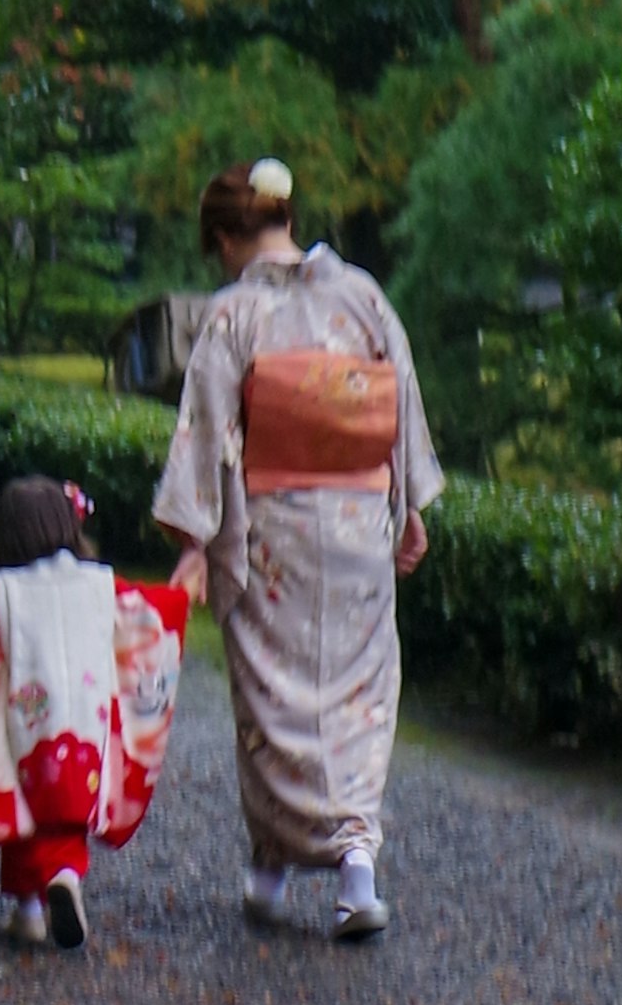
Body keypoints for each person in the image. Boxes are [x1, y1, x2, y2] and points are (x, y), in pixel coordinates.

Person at [151, 153, 442, 940]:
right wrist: (410, 505)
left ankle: (273, 863)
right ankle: (352, 868)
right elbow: (403, 399)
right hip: (354, 531)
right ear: (287, 218)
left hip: (272, 533)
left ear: (224, 238)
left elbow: (208, 431)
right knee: (357, 691)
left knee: (272, 695)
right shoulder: (364, 296)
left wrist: (193, 539)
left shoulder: (232, 314)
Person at [0, 472, 115, 956]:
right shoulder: (98, 585)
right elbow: (145, 613)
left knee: (21, 808)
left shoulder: (4, 591)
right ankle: (62, 877)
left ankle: (30, 910)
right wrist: (182, 590)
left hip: (25, 729)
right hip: (84, 724)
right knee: (69, 809)